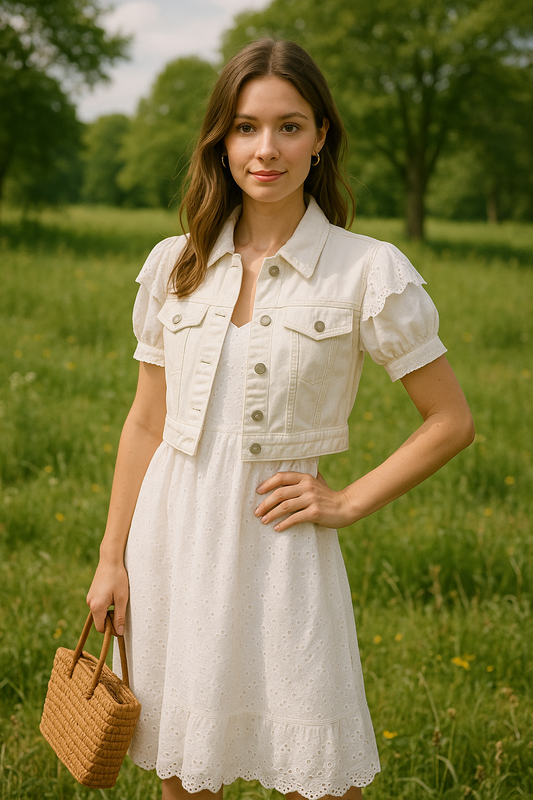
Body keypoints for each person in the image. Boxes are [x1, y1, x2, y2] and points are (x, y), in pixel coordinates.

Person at [87, 38, 474, 800]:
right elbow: (144, 423)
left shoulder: (367, 269)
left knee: (319, 779)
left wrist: (349, 500)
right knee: (184, 775)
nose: (266, 149)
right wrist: (111, 559)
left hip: (281, 547)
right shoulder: (175, 264)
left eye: (289, 126)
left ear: (321, 136)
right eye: (244, 127)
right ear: (219, 141)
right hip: (170, 540)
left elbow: (449, 419)